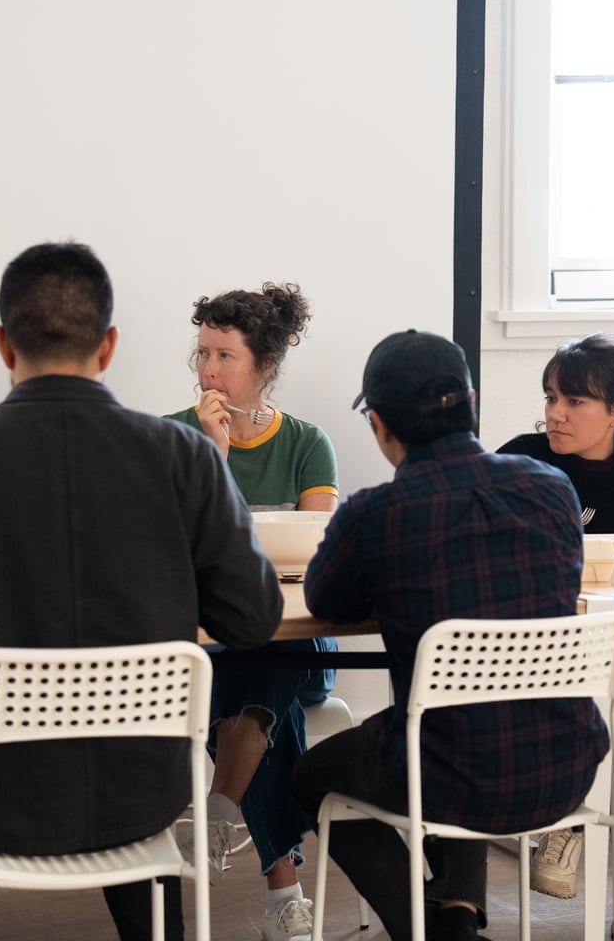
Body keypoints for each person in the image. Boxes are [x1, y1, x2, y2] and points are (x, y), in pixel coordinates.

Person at [0, 241, 283, 941]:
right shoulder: (185, 457)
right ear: (110, 344)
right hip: (140, 794)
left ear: (4, 344)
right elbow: (252, 617)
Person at [291, 329, 611, 941]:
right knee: (453, 719)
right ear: (470, 400)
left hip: (450, 775)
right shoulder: (551, 489)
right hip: (566, 763)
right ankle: (458, 914)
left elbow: (325, 602)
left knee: (311, 775)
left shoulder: (374, 513)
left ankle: (427, 932)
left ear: (379, 423)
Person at [165, 282, 338, 941]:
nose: (208, 370)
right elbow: (175, 548)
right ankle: (283, 891)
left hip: (296, 636)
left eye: (224, 356)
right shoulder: (173, 436)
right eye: (202, 354)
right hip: (215, 641)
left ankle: (223, 794)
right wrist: (215, 453)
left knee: (280, 653)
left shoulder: (306, 443)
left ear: (264, 366)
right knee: (267, 697)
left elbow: (312, 549)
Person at [498, 333, 614, 940]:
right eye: (550, 397)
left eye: (574, 402)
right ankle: (608, 842)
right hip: (537, 635)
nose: (555, 414)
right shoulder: (521, 459)